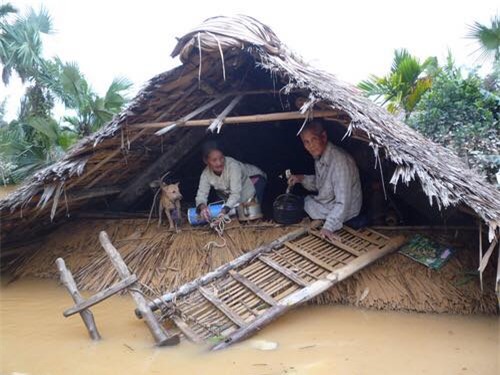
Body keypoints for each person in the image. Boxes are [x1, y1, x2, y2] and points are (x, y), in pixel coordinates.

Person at [288, 121, 362, 242]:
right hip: (330, 203)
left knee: (302, 205)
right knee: (303, 202)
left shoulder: (339, 161)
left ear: (323, 137)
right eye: (306, 142)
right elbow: (321, 184)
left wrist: (329, 227)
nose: (310, 145)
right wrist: (301, 178)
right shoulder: (320, 157)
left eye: (313, 139)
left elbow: (343, 202)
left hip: (346, 210)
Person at [195, 142, 266, 222]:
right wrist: (203, 207)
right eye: (214, 160)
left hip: (252, 179)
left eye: (221, 158)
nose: (219, 163)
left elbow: (235, 194)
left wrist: (224, 211)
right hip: (228, 193)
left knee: (251, 214)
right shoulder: (205, 174)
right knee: (226, 213)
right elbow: (201, 195)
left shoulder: (233, 166)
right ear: (206, 161)